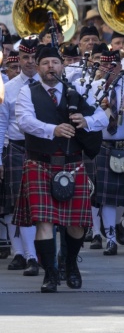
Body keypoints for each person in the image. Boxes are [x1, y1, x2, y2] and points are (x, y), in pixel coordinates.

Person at [14, 45, 108, 292]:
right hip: (39, 163)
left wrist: (86, 121)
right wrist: (52, 130)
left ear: (62, 66)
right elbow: (24, 121)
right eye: (45, 63)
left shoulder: (74, 92)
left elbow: (104, 117)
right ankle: (51, 275)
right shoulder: (27, 92)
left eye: (55, 63)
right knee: (44, 221)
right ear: (38, 66)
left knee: (76, 223)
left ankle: (70, 265)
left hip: (72, 164)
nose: (50, 67)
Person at [88, 51, 124, 256]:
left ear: (120, 66)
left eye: (113, 66)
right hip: (105, 145)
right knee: (107, 197)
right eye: (105, 66)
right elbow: (89, 118)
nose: (109, 70)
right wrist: (99, 110)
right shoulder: (93, 89)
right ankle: (110, 239)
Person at [0, 39, 41, 275]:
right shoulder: (10, 87)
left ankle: (35, 253)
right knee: (15, 203)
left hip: (43, 149)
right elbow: (2, 124)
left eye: (33, 57)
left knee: (38, 205)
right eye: (25, 57)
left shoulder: (48, 85)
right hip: (16, 148)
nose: (29, 62)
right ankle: (22, 254)